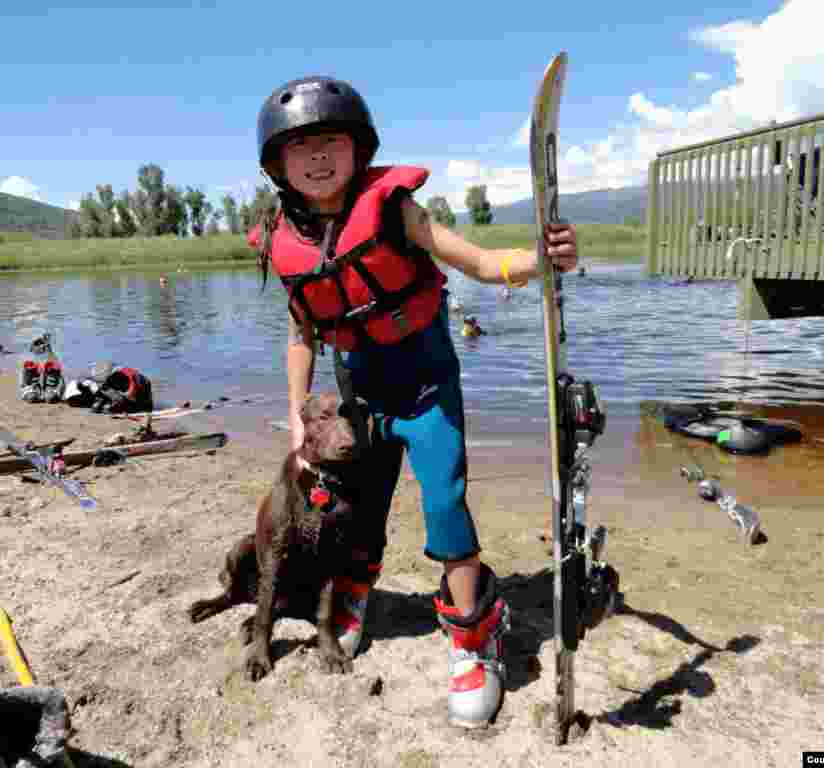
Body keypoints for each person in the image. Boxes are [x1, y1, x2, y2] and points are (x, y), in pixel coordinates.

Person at [248, 75, 578, 729]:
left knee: (443, 504)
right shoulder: (285, 241)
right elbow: (301, 333)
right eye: (301, 146)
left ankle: (471, 642)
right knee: (360, 508)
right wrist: (296, 417)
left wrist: (540, 260)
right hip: (359, 390)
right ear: (278, 164)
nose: (317, 156)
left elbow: (480, 262)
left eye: (331, 141)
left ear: (358, 148)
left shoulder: (394, 210)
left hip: (426, 382)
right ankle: (352, 597)